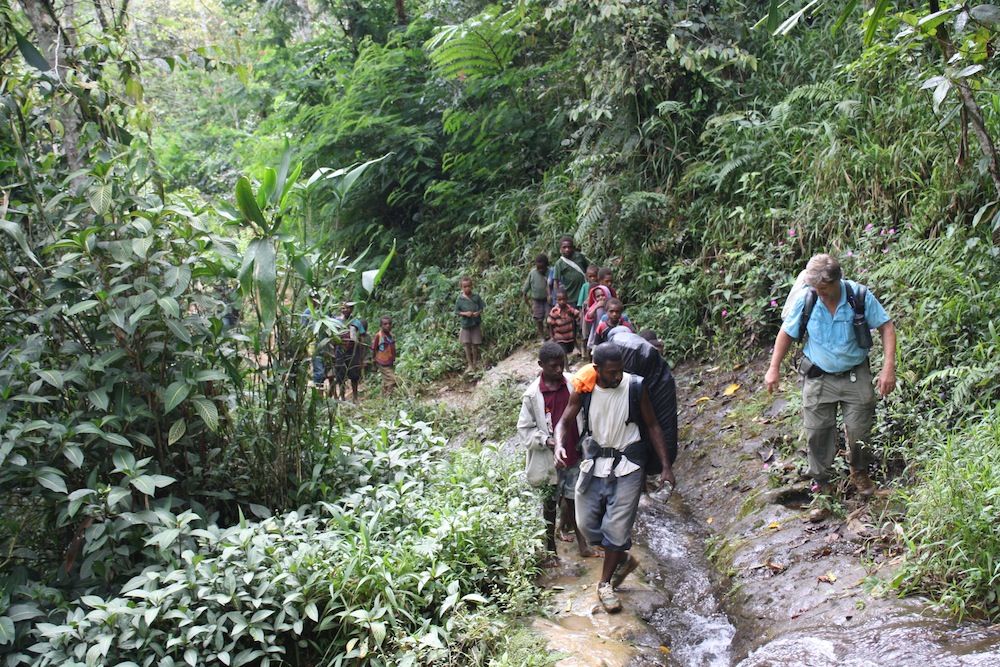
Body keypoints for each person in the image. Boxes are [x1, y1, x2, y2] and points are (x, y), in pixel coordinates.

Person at [764, 253, 896, 522]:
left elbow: (886, 326)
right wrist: (773, 368)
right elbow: (786, 334)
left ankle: (859, 473)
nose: (819, 293)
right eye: (815, 288)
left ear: (837, 280)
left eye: (823, 288)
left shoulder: (858, 296)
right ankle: (823, 491)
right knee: (817, 434)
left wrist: (888, 367)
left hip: (855, 374)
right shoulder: (808, 298)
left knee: (859, 429)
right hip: (818, 377)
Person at [555, 343, 674, 614]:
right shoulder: (584, 388)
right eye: (611, 372)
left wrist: (666, 466)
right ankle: (620, 557)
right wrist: (560, 445)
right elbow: (564, 421)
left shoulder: (635, 386)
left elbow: (653, 425)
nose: (617, 376)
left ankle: (605, 584)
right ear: (596, 369)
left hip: (629, 464)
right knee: (585, 525)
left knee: (617, 528)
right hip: (595, 462)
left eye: (620, 370)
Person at [517, 342, 591, 563]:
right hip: (549, 459)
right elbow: (525, 429)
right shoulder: (532, 395)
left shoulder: (572, 383)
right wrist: (546, 440)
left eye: (562, 365)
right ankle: (551, 551)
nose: (559, 370)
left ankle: (583, 544)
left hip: (574, 453)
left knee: (576, 499)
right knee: (550, 505)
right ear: (541, 365)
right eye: (553, 367)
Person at [331, 302, 365, 402]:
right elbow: (332, 336)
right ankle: (342, 397)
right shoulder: (336, 321)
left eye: (347, 308)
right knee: (340, 374)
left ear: (352, 309)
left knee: (354, 374)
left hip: (353, 350)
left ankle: (355, 397)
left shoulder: (356, 322)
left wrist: (361, 354)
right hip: (339, 350)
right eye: (343, 308)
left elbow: (362, 336)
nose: (345, 310)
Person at [455, 276, 486, 373]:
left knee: (475, 345)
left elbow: (482, 307)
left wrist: (478, 312)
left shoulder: (476, 297)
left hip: (475, 323)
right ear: (461, 287)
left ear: (471, 286)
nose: (467, 288)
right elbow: (457, 311)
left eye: (468, 286)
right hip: (466, 324)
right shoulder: (460, 299)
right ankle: (470, 364)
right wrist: (465, 313)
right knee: (466, 344)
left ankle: (475, 363)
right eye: (465, 287)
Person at [553, 236, 590, 311]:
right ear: (560, 249)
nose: (567, 249)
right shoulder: (559, 263)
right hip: (570, 297)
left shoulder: (579, 257)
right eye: (564, 247)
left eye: (569, 247)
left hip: (584, 294)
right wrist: (558, 297)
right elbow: (556, 281)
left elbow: (588, 270)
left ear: (573, 248)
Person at [523, 254, 550, 341]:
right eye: (539, 268)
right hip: (536, 300)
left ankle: (552, 334)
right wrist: (528, 304)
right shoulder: (532, 273)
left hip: (548, 300)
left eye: (542, 268)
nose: (540, 270)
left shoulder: (550, 271)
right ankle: (542, 336)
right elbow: (525, 290)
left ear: (546, 265)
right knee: (538, 319)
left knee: (549, 317)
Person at [370, 315, 397, 395]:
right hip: (381, 361)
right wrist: (373, 361)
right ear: (381, 326)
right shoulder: (378, 336)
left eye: (389, 324)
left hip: (389, 361)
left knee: (386, 379)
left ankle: (384, 396)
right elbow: (374, 348)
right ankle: (389, 396)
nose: (387, 326)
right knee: (392, 379)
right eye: (385, 324)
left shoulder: (391, 336)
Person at [547, 289, 579, 355]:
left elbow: (577, 314)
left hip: (570, 337)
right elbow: (550, 324)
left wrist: (574, 316)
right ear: (556, 300)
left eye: (564, 299)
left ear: (567, 299)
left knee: (568, 351)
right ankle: (566, 365)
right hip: (559, 337)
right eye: (559, 300)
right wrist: (552, 336)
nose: (562, 302)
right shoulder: (554, 311)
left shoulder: (569, 308)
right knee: (563, 353)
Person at [578, 265, 600, 359]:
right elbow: (581, 303)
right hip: (586, 316)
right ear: (587, 277)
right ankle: (585, 352)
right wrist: (580, 314)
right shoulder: (585, 286)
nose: (593, 278)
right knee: (585, 335)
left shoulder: (600, 287)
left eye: (594, 276)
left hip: (597, 318)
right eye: (590, 276)